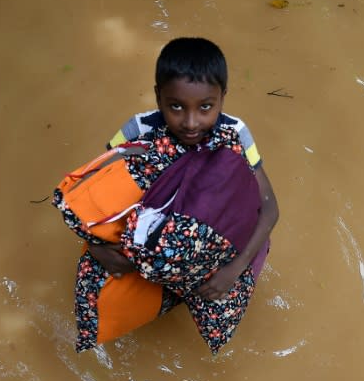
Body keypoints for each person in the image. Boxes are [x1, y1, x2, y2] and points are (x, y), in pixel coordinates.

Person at [87, 37, 279, 301]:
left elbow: (268, 208)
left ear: (222, 98)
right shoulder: (140, 131)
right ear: (158, 97)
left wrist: (234, 270)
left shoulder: (235, 135)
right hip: (152, 240)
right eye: (176, 106)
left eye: (205, 107)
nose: (190, 122)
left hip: (205, 246)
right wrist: (97, 248)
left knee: (228, 288)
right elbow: (92, 197)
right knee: (96, 281)